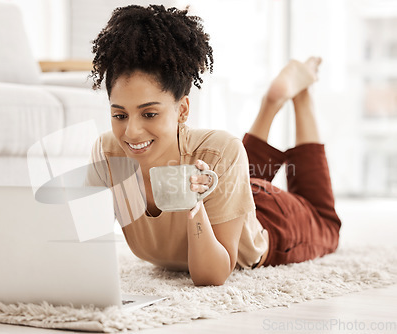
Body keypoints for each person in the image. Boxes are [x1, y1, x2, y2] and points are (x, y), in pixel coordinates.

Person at [85, 5, 341, 286]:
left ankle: (299, 96)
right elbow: (82, 247)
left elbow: (212, 275)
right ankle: (272, 103)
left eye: (149, 114)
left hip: (268, 218)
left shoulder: (219, 151)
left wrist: (195, 206)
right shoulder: (108, 154)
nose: (131, 132)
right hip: (231, 192)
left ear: (183, 110)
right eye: (119, 115)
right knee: (230, 165)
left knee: (326, 223)